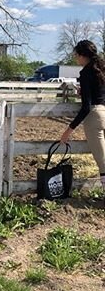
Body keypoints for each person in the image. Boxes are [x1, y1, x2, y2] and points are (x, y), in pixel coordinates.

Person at [60, 40, 105, 198]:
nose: (75, 59)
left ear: (82, 55)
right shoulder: (101, 69)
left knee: (102, 162)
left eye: (76, 55)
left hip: (94, 118)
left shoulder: (86, 72)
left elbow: (86, 107)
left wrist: (68, 130)